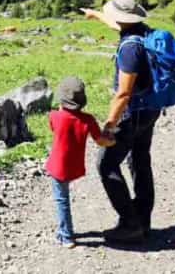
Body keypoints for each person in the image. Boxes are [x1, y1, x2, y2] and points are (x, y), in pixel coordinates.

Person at [81, 0, 163, 244]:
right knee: (140, 160)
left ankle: (130, 224)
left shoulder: (129, 49)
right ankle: (143, 220)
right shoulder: (143, 31)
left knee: (106, 164)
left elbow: (123, 93)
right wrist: (95, 15)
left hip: (132, 114)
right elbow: (116, 23)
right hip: (150, 108)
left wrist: (108, 126)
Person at [44, 76, 115, 248]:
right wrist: (113, 141)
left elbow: (53, 127)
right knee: (63, 198)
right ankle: (64, 230)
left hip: (57, 166)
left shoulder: (54, 116)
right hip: (74, 166)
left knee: (61, 200)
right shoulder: (88, 120)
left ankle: (66, 236)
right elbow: (100, 141)